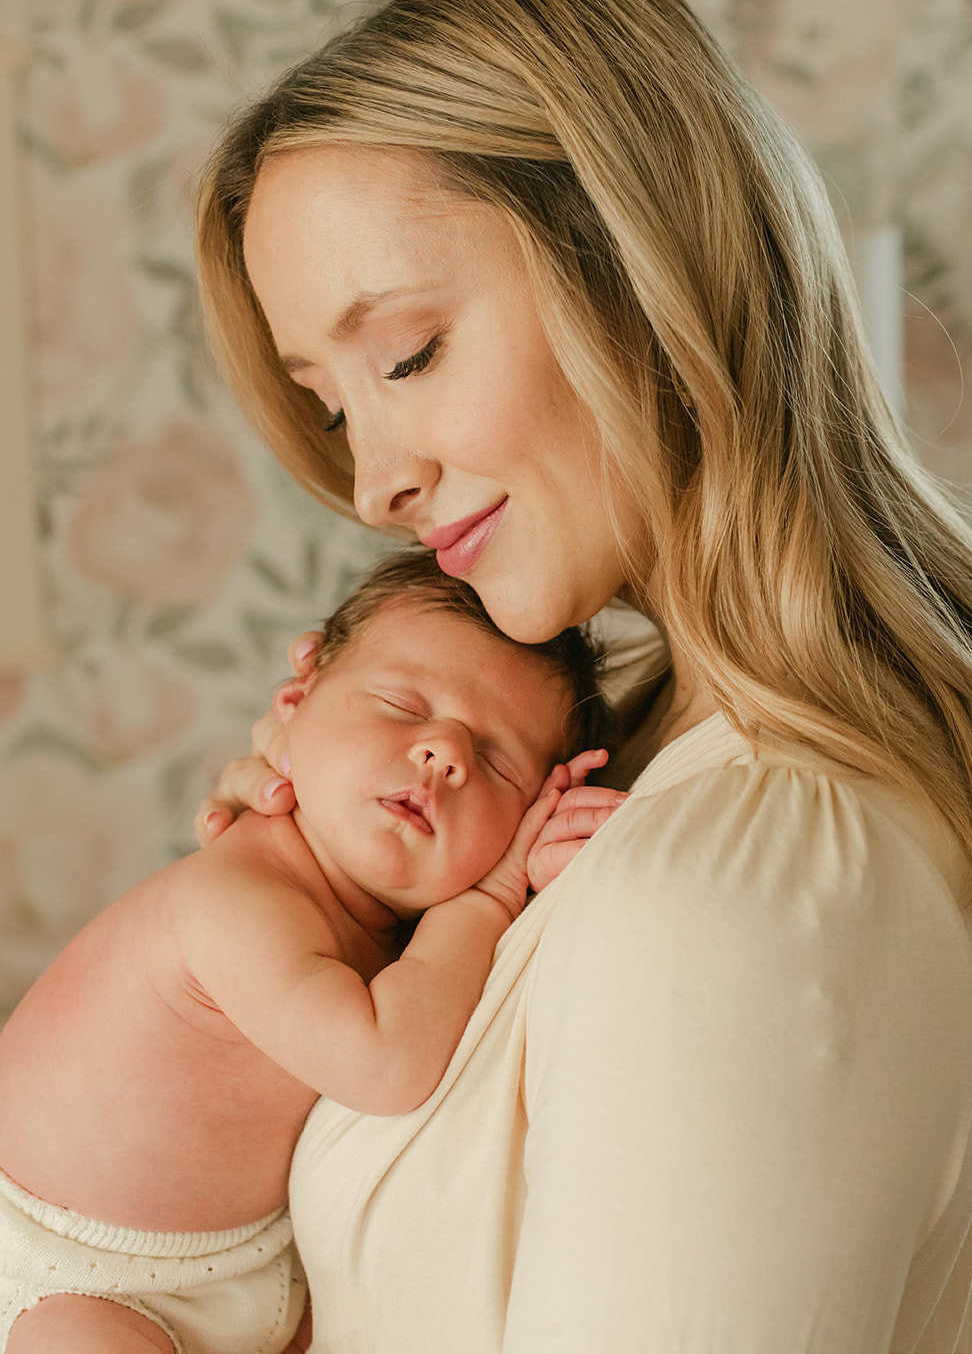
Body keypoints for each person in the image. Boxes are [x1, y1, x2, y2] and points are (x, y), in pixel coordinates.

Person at [194, 0, 972, 1352]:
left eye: (406, 354)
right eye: (334, 404)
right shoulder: (646, 757)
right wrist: (353, 910)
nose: (371, 487)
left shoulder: (737, 885)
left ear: (639, 259)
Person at [0, 549, 621, 1354]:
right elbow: (387, 1062)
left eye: (497, 763)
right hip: (73, 1272)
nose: (445, 754)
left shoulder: (395, 930)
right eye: (403, 706)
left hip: (258, 1263)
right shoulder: (235, 903)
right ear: (292, 704)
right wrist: (490, 895)